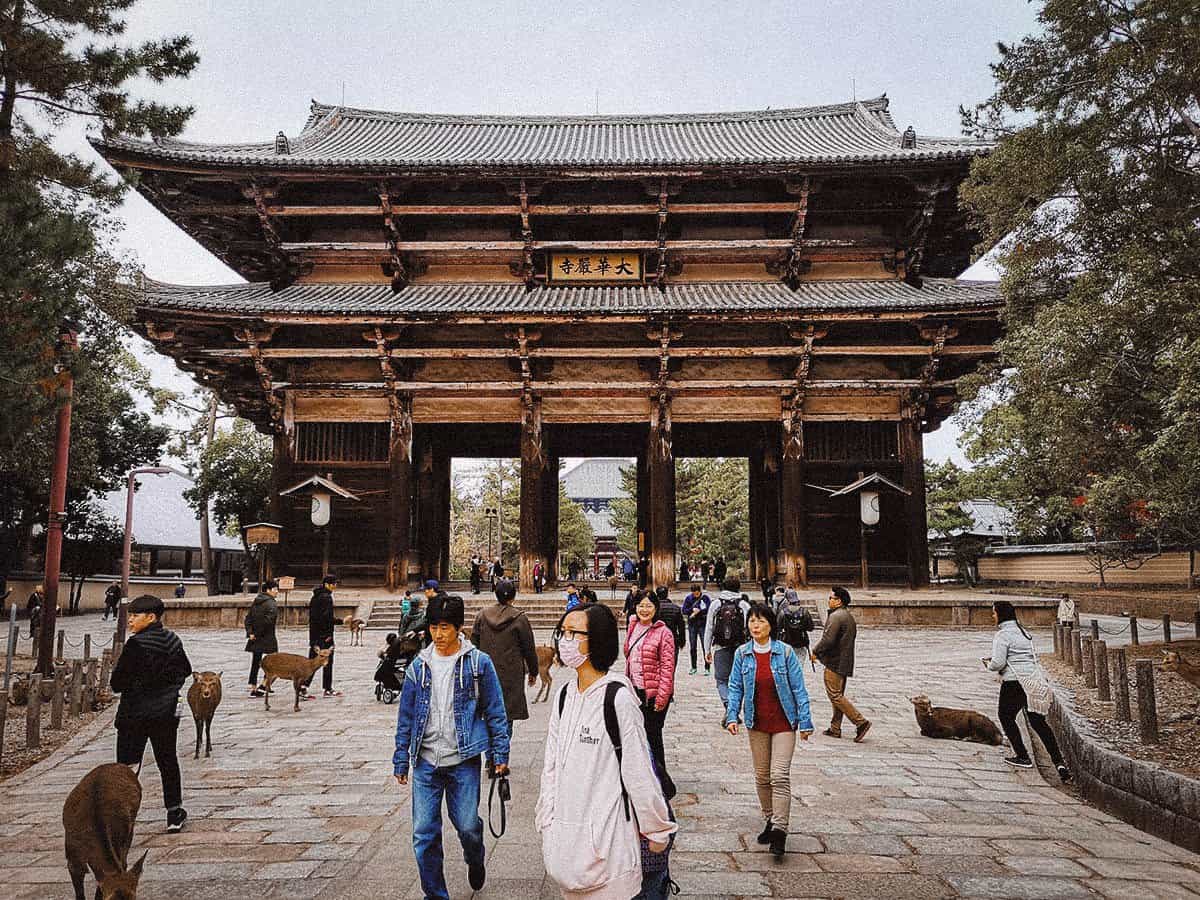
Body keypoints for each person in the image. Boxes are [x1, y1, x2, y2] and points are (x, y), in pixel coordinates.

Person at [537, 602, 676, 900]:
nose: (565, 640)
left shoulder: (618, 699)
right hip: (565, 842)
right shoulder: (564, 696)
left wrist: (656, 828)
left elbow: (639, 772)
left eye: (574, 633)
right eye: (563, 632)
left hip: (608, 840)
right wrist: (546, 817)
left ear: (597, 639)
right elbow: (550, 765)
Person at [393, 594, 510, 899]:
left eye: (445, 627)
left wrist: (500, 755)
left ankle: (475, 857)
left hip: (463, 758)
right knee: (423, 833)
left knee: (468, 825)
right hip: (426, 760)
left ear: (458, 628)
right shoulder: (418, 667)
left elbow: (495, 710)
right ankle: (435, 894)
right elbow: (405, 715)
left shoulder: (477, 664)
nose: (438, 634)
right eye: (433, 627)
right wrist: (401, 759)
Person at [724, 602, 814, 859]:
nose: (755, 625)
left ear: (771, 625)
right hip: (757, 723)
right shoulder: (742, 654)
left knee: (779, 775)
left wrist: (805, 721)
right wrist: (733, 715)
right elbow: (735, 687)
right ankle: (769, 818)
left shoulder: (784, 653)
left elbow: (799, 689)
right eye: (752, 620)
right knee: (762, 776)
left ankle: (780, 831)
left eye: (761, 621)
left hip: (784, 721)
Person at [109, 594, 192, 833]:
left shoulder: (136, 645)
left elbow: (117, 682)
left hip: (135, 714)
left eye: (135, 616)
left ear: (151, 617)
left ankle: (122, 817)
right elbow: (185, 670)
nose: (130, 620)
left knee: (127, 766)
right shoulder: (172, 640)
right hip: (165, 714)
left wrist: (140, 684)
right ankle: (174, 812)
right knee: (167, 761)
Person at [987, 601, 1071, 780]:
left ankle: (1022, 755)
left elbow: (998, 663)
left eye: (994, 613)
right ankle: (1059, 762)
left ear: (1000, 615)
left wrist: (989, 664)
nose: (992, 616)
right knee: (1038, 723)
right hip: (1031, 681)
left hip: (1013, 682)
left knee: (1006, 716)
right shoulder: (1025, 633)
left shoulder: (1002, 635)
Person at [624, 591, 677, 800]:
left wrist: (662, 696)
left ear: (656, 609)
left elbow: (667, 667)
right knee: (638, 737)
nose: (644, 610)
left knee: (653, 737)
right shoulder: (633, 626)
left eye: (648, 606)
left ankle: (663, 785)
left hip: (654, 693)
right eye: (640, 605)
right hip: (635, 690)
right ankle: (646, 780)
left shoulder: (664, 633)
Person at [471, 579, 539, 736]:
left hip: (485, 673)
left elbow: (473, 646)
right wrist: (533, 672)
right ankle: (500, 755)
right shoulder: (520, 619)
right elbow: (528, 649)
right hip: (511, 674)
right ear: (513, 596)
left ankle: (491, 756)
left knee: (488, 714)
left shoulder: (481, 616)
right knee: (506, 715)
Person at [811, 586, 871, 742]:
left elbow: (828, 640)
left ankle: (860, 722)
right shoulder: (847, 616)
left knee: (835, 695)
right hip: (844, 661)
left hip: (835, 661)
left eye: (831, 598)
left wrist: (815, 651)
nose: (829, 600)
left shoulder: (837, 617)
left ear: (839, 601)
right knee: (837, 694)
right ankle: (835, 728)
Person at [704, 577, 751, 719]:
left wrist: (707, 650)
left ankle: (728, 705)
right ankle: (733, 709)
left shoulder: (716, 604)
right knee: (739, 681)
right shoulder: (744, 605)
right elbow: (750, 629)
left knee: (721, 680)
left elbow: (709, 628)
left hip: (720, 646)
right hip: (741, 648)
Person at [303, 573, 342, 698]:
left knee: (312, 662)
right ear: (327, 584)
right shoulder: (326, 598)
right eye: (333, 584)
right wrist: (341, 621)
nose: (335, 586)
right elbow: (326, 618)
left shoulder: (315, 597)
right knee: (327, 661)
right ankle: (327, 688)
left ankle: (303, 686)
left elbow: (314, 618)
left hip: (314, 634)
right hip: (325, 635)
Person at [245, 579, 279, 697]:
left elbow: (248, 618)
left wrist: (251, 633)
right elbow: (268, 622)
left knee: (256, 661)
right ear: (268, 590)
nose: (277, 592)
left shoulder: (256, 601)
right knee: (275, 661)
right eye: (275, 589)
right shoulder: (271, 603)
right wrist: (258, 633)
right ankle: (264, 685)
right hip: (267, 637)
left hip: (255, 637)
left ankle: (252, 685)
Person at [773, 583, 814, 665]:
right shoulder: (804, 612)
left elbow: (778, 627)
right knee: (799, 664)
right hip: (801, 642)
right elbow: (810, 628)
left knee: (788, 664)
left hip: (787, 641)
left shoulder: (783, 613)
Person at [681, 584, 711, 675]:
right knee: (693, 646)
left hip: (702, 624)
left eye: (697, 593)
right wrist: (692, 610)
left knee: (705, 646)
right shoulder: (688, 598)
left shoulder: (705, 598)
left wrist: (700, 611)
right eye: (694, 593)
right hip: (692, 624)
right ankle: (693, 667)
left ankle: (707, 667)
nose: (695, 595)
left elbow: (709, 609)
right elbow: (684, 610)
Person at [654, 586, 686, 663]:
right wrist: (682, 641)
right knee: (671, 664)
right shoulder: (676, 608)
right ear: (667, 594)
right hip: (673, 639)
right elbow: (681, 627)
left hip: (657, 640)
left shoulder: (654, 608)